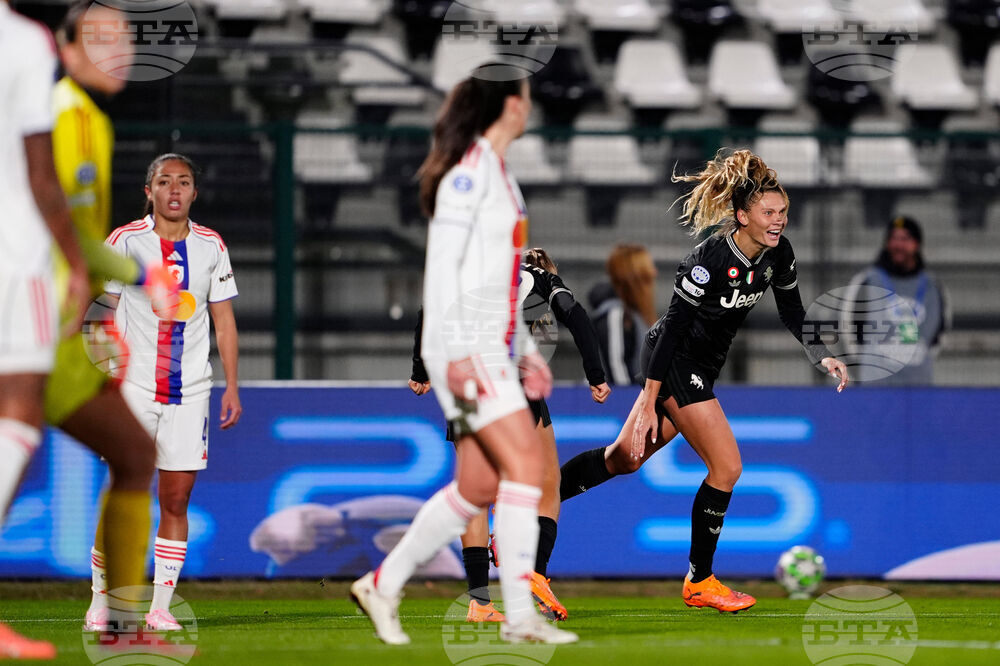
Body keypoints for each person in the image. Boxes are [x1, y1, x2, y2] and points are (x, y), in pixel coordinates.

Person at [558, 149, 849, 612]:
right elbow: (672, 328)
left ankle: (530, 508)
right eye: (769, 213)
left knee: (625, 458)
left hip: (702, 366)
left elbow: (792, 311)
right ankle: (700, 579)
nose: (779, 221)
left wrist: (822, 355)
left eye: (783, 212)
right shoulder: (709, 259)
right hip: (673, 360)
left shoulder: (780, 255)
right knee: (727, 466)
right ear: (742, 216)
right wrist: (650, 401)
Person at [351, 64, 578, 646]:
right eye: (525, 97)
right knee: (527, 467)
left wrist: (526, 350)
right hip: (466, 349)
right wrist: (448, 357)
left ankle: (382, 582)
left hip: (494, 347)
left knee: (476, 488)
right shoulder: (468, 178)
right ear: (508, 105)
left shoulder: (500, 175)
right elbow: (442, 276)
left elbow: (501, 282)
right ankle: (520, 615)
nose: (530, 106)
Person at [46, 0, 183, 636]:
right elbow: (68, 232)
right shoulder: (68, 116)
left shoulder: (87, 118)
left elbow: (76, 236)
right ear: (65, 47)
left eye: (124, 39)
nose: (117, 50)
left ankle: (123, 623)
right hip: (28, 325)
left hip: (55, 326)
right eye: (99, 39)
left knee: (132, 454)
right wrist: (142, 276)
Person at [409, 248, 610, 623]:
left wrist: (420, 369)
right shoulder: (539, 277)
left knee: (473, 493)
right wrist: (596, 374)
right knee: (548, 485)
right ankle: (534, 571)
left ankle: (479, 602)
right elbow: (576, 316)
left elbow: (429, 311)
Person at [85, 152, 241, 632]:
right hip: (132, 388)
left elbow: (224, 319)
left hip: (190, 391)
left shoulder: (212, 245)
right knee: (123, 492)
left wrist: (232, 384)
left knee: (176, 501)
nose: (175, 190)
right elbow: (99, 310)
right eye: (165, 181)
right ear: (148, 191)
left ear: (195, 192)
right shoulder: (126, 241)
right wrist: (100, 374)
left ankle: (159, 608)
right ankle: (100, 601)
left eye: (184, 182)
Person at [0, 0, 89, 658]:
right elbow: (40, 172)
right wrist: (77, 261)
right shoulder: (26, 42)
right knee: (19, 413)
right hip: (16, 258)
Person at [845, 216, 949, 385]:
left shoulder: (932, 285)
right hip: (876, 381)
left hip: (918, 380)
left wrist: (918, 356)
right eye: (893, 238)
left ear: (917, 244)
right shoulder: (868, 280)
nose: (898, 245)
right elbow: (850, 328)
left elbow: (940, 330)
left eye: (905, 239)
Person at [588, 244, 658, 385]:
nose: (654, 273)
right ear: (634, 277)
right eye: (647, 271)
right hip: (619, 403)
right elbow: (617, 374)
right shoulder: (615, 315)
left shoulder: (637, 316)